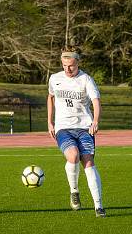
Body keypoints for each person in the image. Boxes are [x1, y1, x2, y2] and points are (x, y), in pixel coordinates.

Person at [47, 46, 106, 218]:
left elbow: (96, 101)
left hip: (84, 127)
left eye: (71, 65)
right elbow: (50, 97)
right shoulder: (54, 78)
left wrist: (95, 121)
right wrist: (50, 122)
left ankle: (99, 206)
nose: (67, 69)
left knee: (88, 162)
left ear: (77, 62)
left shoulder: (86, 80)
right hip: (63, 127)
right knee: (72, 155)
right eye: (64, 65)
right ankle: (74, 191)